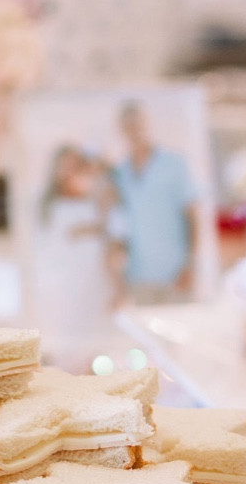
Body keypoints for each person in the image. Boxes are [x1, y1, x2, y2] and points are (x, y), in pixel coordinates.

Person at [108, 101, 197, 304]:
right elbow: (119, 225)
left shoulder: (174, 164)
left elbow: (192, 216)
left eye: (137, 124)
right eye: (128, 126)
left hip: (174, 272)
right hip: (138, 276)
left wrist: (190, 265)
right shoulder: (120, 172)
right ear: (121, 129)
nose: (133, 130)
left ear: (146, 124)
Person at [35, 144, 116, 351]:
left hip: (95, 275)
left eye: (75, 164)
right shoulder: (49, 204)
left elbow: (105, 227)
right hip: (67, 281)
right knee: (72, 331)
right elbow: (58, 241)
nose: (70, 170)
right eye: (66, 165)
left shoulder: (93, 196)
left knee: (98, 329)